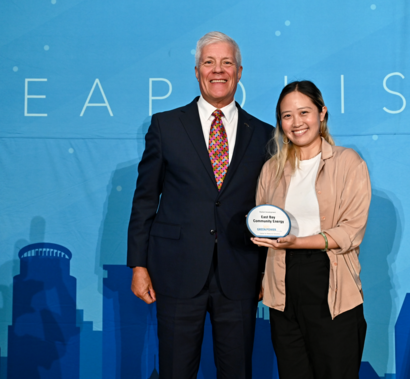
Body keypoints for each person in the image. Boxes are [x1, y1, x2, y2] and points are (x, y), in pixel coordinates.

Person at [127, 31, 273, 379]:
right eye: (209, 62)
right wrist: (138, 265)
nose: (217, 70)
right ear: (196, 71)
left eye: (226, 63)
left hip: (241, 273)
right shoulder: (166, 125)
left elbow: (270, 206)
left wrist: (270, 271)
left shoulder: (265, 134)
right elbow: (146, 198)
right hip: (176, 271)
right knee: (176, 371)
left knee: (237, 371)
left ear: (239, 71)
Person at [251, 81, 371, 379]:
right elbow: (261, 222)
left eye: (304, 112)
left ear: (322, 113)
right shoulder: (272, 169)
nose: (296, 122)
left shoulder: (348, 162)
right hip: (282, 283)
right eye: (287, 115)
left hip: (331, 284)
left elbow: (351, 232)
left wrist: (297, 242)